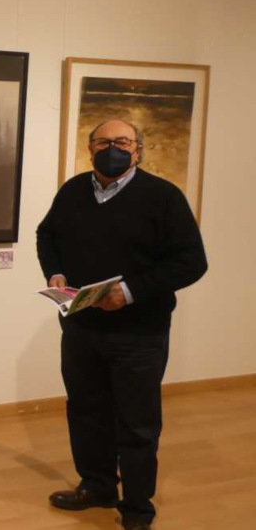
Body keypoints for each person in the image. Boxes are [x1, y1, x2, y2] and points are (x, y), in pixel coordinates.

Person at [36, 119, 208, 530]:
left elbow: (191, 262)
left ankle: (136, 508)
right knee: (86, 411)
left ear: (139, 150)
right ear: (90, 147)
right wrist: (55, 273)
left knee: (137, 422)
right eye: (103, 141)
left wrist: (130, 292)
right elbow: (47, 235)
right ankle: (96, 486)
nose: (112, 148)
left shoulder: (163, 197)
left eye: (122, 141)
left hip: (140, 333)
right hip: (81, 327)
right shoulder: (74, 190)